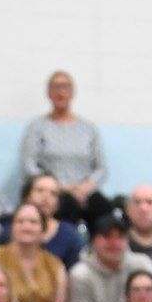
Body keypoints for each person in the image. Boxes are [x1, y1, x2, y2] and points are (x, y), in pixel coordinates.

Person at [17, 70, 110, 225]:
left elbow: (101, 168)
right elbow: (29, 166)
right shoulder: (37, 127)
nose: (60, 92)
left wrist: (85, 187)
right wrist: (59, 188)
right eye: (55, 87)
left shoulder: (88, 129)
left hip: (85, 192)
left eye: (65, 86)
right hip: (54, 192)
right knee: (67, 205)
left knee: (105, 212)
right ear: (48, 93)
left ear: (73, 92)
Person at [16, 171, 83, 267]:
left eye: (53, 194)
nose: (46, 197)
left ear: (58, 203)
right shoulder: (8, 228)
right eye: (40, 190)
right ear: (27, 196)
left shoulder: (70, 236)